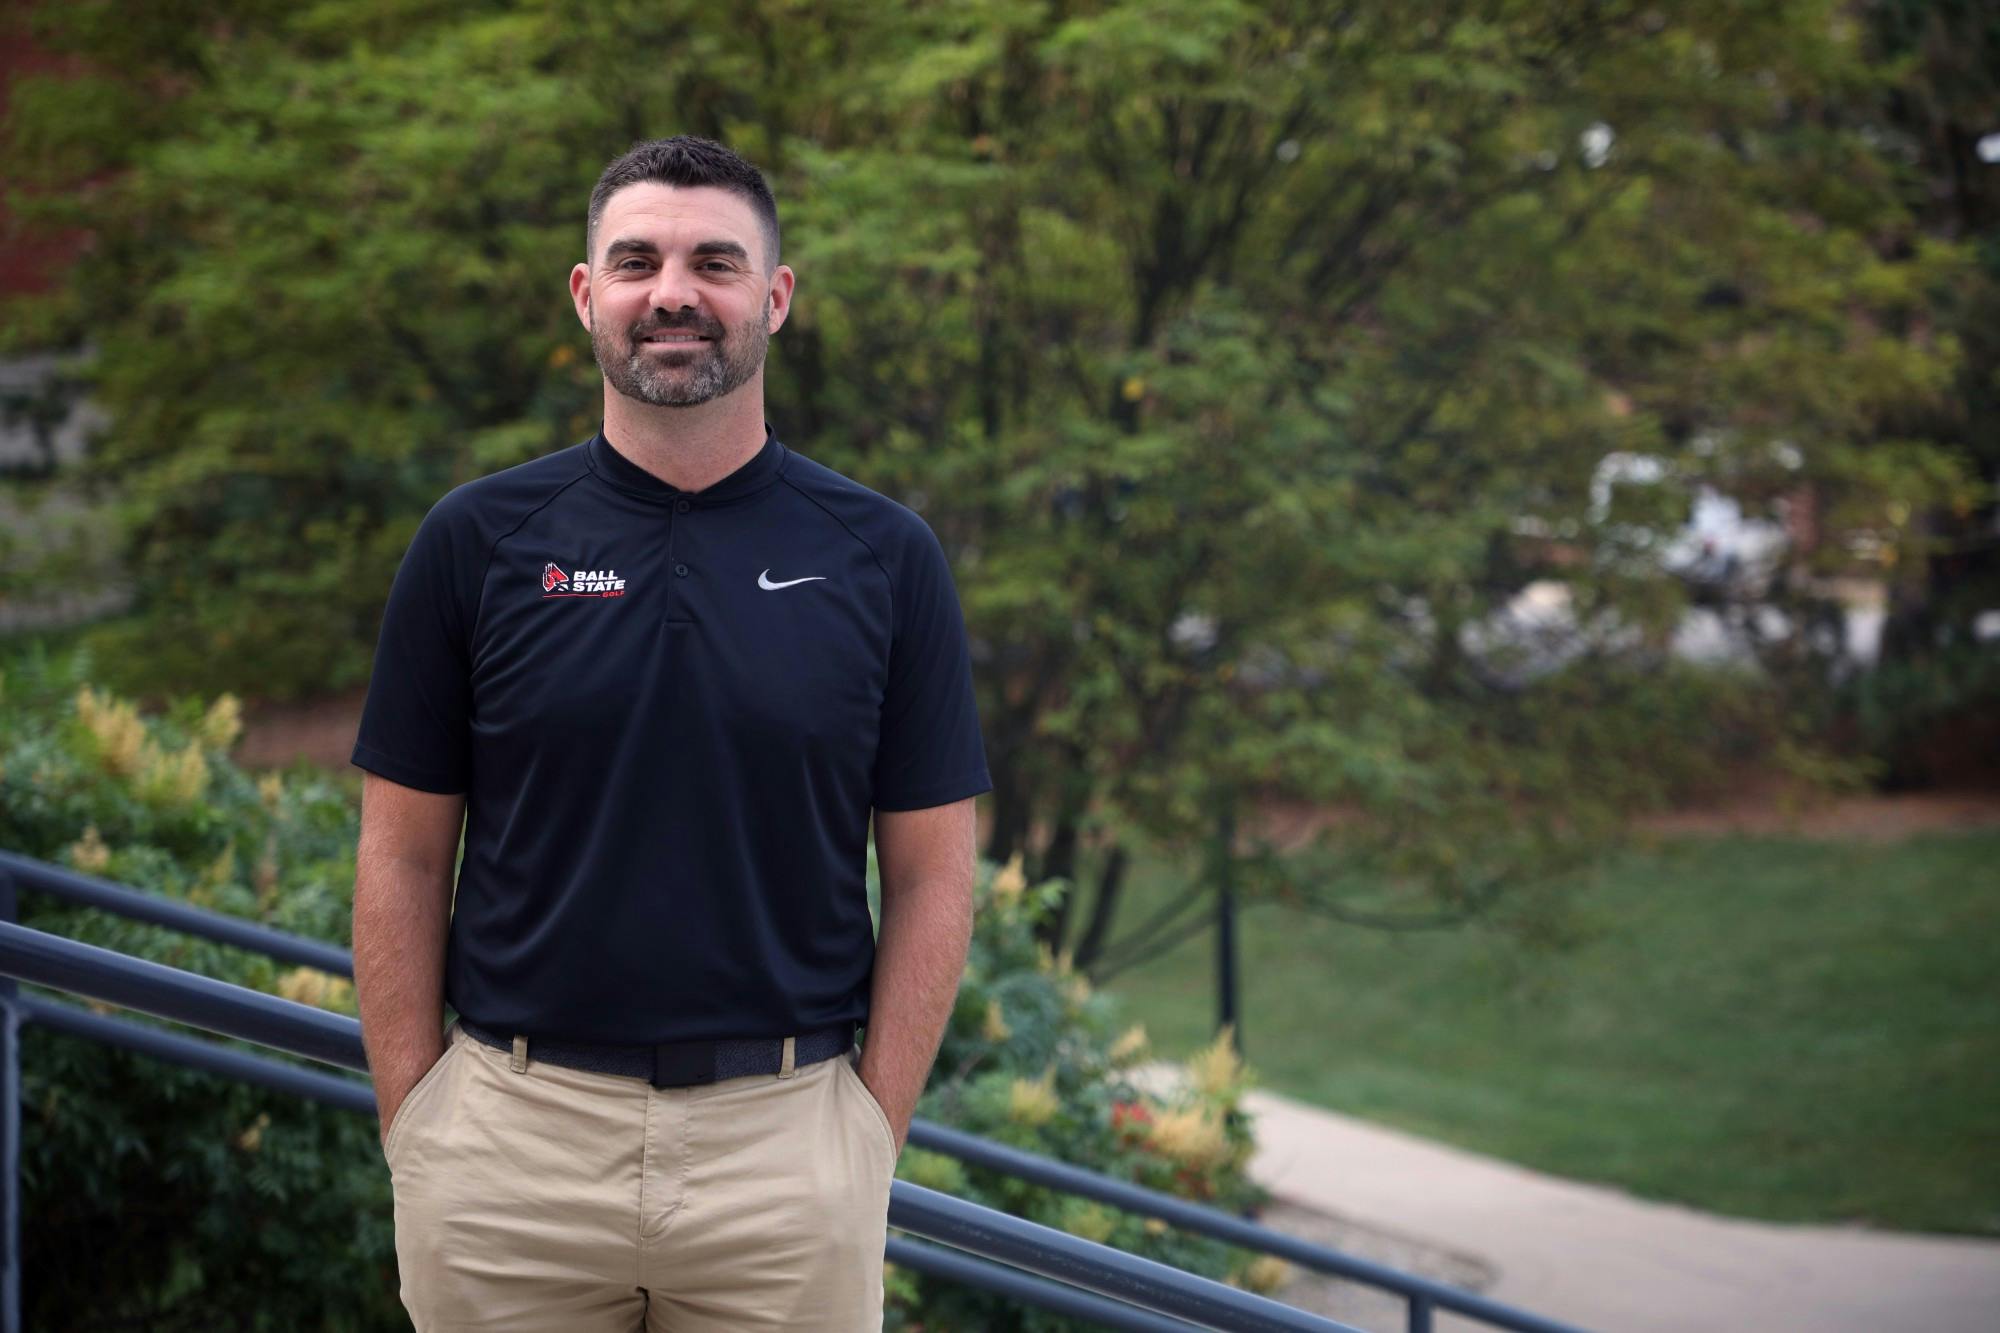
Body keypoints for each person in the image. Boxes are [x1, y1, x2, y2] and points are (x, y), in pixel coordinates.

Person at [348, 135, 991, 1332]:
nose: (674, 292)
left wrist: (866, 1131)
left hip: (785, 1155)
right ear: (588, 294)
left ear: (775, 298)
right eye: (636, 260)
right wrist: (419, 1120)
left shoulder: (883, 558)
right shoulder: (475, 541)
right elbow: (400, 854)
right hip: (508, 1151)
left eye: (716, 262)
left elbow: (932, 872)